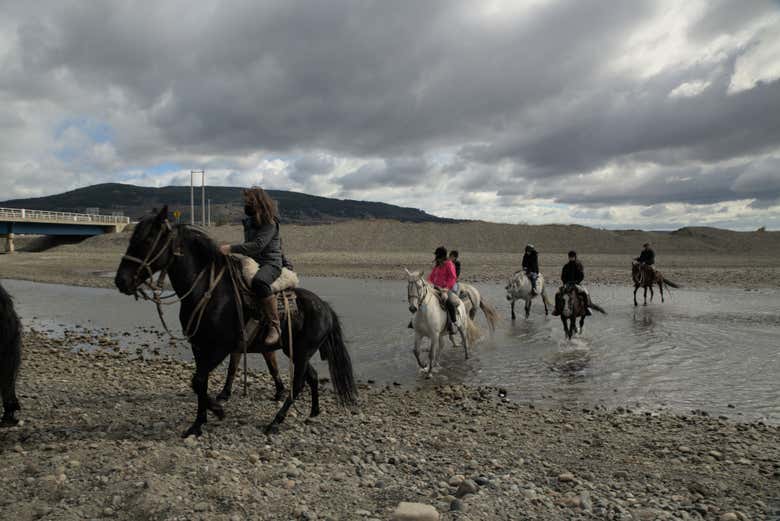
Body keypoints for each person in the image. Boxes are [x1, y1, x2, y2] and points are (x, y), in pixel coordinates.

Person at [219, 187, 282, 346]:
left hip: (270, 264)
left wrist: (231, 248)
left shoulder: (270, 222)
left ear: (258, 203)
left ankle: (275, 326)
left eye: (249, 201)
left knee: (259, 282)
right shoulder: (249, 222)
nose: (246, 204)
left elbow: (258, 245)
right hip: (252, 261)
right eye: (245, 201)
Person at [428, 246, 460, 332]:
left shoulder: (449, 264)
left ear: (442, 256)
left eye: (437, 256)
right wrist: (429, 284)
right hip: (435, 288)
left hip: (445, 289)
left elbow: (453, 278)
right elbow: (431, 277)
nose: (436, 259)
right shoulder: (437, 265)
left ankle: (453, 322)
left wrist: (446, 288)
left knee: (447, 301)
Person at [552, 250, 591, 316]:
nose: (571, 258)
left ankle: (586, 308)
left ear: (575, 257)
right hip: (567, 284)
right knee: (557, 294)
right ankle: (557, 309)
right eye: (570, 257)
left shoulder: (579, 265)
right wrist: (565, 282)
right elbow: (562, 276)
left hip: (576, 284)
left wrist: (576, 282)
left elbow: (581, 276)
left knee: (584, 293)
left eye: (572, 257)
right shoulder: (566, 266)